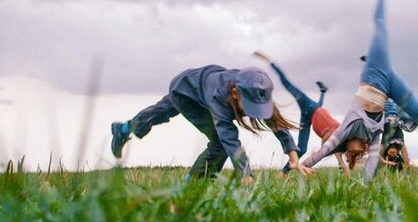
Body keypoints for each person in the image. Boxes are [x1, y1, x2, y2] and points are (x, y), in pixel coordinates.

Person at [303, 0, 418, 178]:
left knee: (380, 25)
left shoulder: (344, 132)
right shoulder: (373, 135)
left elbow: (322, 151)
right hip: (389, 84)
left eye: (355, 153)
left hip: (375, 72)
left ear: (347, 146)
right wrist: (364, 185)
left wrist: (302, 164)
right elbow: (372, 163)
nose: (361, 152)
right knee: (417, 118)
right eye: (360, 154)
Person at [110, 65, 312, 185]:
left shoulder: (255, 89)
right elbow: (229, 139)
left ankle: (123, 130)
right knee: (219, 144)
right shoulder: (220, 97)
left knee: (160, 111)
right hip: (185, 92)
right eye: (251, 107)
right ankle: (191, 186)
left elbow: (277, 124)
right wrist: (245, 174)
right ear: (235, 93)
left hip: (195, 84)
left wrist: (293, 159)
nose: (254, 112)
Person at [252, 51, 358, 175]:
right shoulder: (308, 104)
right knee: (287, 84)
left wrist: (342, 163)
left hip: (310, 114)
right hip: (310, 112)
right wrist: (270, 61)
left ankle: (283, 173)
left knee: (301, 149)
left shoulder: (342, 140)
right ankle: (271, 61)